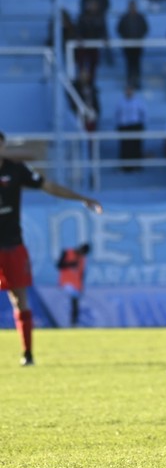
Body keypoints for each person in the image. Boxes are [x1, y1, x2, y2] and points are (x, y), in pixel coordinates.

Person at [0, 130, 102, 366]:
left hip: (12, 245)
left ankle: (28, 354)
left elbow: (49, 186)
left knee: (19, 299)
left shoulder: (16, 170)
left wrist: (81, 198)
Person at [116, 0, 149, 89]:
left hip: (138, 45)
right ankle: (129, 82)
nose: (132, 8)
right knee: (129, 64)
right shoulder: (124, 18)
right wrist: (126, 37)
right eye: (131, 6)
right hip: (127, 45)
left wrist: (138, 37)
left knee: (137, 63)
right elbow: (119, 29)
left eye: (133, 6)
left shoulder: (140, 18)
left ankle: (137, 81)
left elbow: (145, 29)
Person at [57, 243, 91, 327]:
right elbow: (59, 265)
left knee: (75, 303)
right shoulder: (67, 252)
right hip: (66, 283)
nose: (82, 254)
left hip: (76, 285)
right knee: (72, 302)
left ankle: (73, 323)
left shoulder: (82, 259)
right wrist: (71, 264)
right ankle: (71, 322)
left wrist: (81, 286)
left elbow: (81, 273)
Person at [115, 85, 146, 172]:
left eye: (130, 90)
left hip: (135, 126)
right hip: (124, 126)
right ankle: (125, 167)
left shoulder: (138, 102)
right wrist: (119, 125)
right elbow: (117, 114)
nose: (128, 92)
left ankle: (137, 166)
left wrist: (142, 125)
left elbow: (143, 113)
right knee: (125, 147)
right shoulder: (120, 102)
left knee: (136, 146)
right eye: (127, 90)